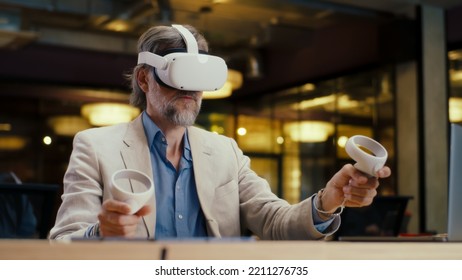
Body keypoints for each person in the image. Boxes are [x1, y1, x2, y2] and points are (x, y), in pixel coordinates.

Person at [49, 24, 391, 240]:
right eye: (180, 74)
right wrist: (100, 233)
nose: (191, 90)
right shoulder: (95, 146)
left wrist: (329, 201)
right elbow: (63, 242)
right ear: (144, 79)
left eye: (200, 79)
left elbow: (275, 223)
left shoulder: (225, 151)